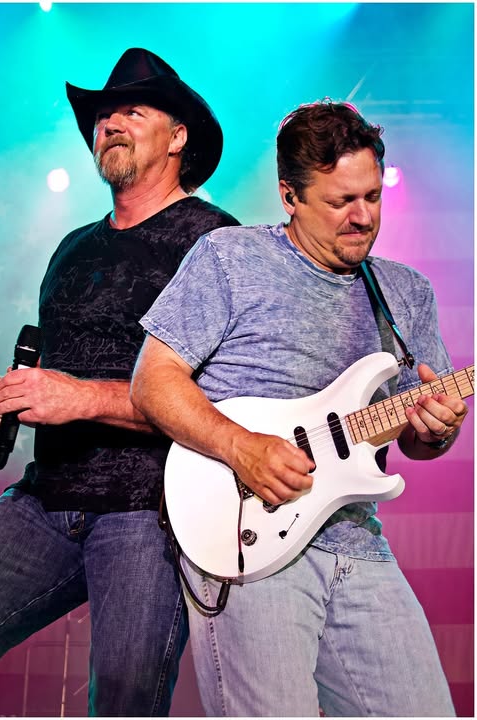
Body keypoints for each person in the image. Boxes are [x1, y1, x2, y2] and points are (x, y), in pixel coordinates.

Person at [131, 99, 469, 717]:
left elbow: (420, 440)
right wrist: (242, 447)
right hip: (247, 535)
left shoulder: (406, 293)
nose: (362, 217)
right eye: (341, 202)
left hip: (357, 541)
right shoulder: (230, 257)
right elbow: (152, 382)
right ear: (289, 196)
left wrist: (439, 428)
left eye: (372, 197)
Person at [0, 47, 239, 717]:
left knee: (124, 706)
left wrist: (78, 396)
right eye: (102, 115)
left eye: (132, 111)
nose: (110, 123)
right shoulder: (72, 247)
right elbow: (57, 367)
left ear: (178, 137)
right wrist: (8, 394)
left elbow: (229, 402)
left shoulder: (218, 244)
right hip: (43, 499)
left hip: (149, 515)